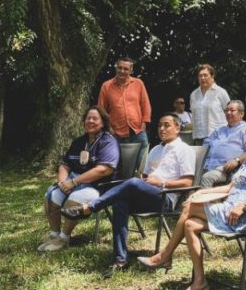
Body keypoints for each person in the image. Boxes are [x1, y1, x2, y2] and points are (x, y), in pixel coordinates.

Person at [137, 120, 246, 290]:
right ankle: (200, 282)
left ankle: (164, 256)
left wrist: (244, 205)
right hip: (229, 211)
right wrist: (202, 192)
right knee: (190, 224)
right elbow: (230, 187)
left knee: (189, 207)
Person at [63, 113, 195, 278]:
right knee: (120, 203)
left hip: (166, 198)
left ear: (178, 127)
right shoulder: (155, 149)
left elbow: (188, 183)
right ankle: (120, 260)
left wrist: (161, 184)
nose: (162, 129)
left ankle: (91, 206)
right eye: (160, 125)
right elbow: (144, 177)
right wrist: (145, 182)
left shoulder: (184, 150)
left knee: (132, 182)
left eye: (167, 125)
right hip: (147, 195)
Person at [37, 106, 120, 251]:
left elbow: (103, 170)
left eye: (95, 118)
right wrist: (62, 182)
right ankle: (54, 236)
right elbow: (65, 165)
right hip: (74, 183)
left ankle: (64, 239)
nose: (91, 121)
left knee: (73, 200)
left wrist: (74, 182)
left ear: (103, 122)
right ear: (83, 121)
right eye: (88, 118)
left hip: (98, 187)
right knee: (51, 196)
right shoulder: (79, 142)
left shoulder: (108, 141)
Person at [97, 57, 152, 150]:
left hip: (138, 132)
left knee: (142, 163)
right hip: (115, 134)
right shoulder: (106, 86)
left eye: (125, 69)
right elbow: (101, 110)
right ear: (116, 68)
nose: (122, 71)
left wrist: (143, 125)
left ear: (131, 71)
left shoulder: (138, 83)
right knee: (116, 164)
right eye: (120, 68)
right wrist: (109, 129)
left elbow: (146, 105)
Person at [200, 100, 246, 188]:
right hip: (207, 166)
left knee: (207, 177)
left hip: (227, 169)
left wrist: (237, 160)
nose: (228, 113)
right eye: (226, 110)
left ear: (241, 114)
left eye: (232, 110)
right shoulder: (219, 130)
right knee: (188, 176)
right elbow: (205, 148)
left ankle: (207, 202)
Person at [190, 64, 231, 144]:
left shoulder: (221, 92)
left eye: (205, 75)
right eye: (200, 76)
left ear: (212, 77)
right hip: (198, 137)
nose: (202, 78)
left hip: (217, 137)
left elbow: (230, 113)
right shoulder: (194, 95)